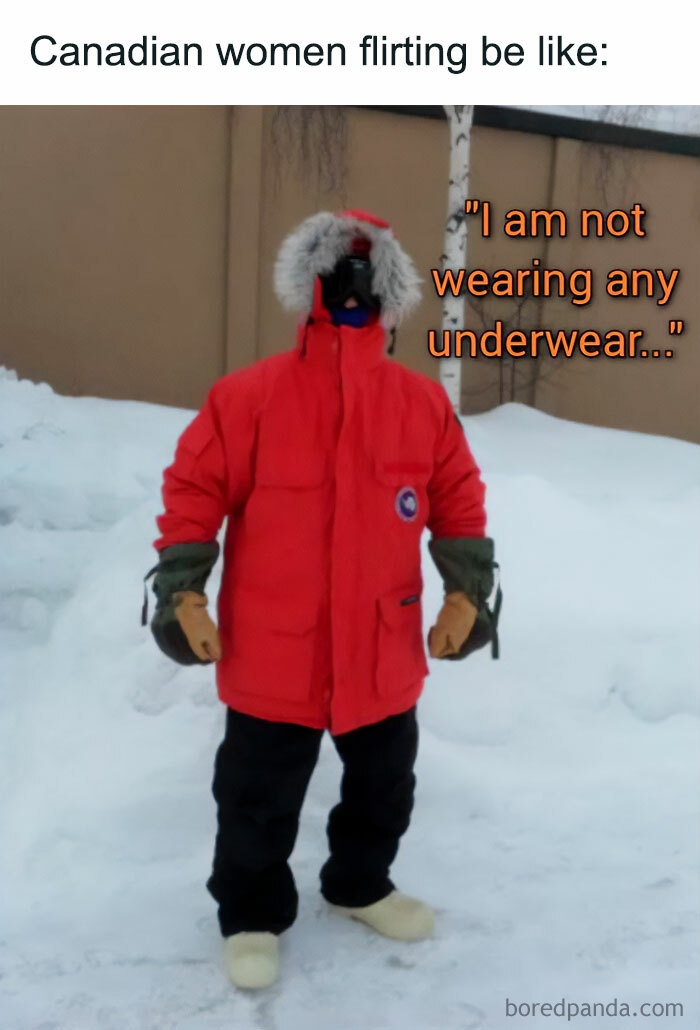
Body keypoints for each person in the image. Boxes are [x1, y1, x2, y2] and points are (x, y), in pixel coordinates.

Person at [145, 209, 500, 990]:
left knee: (385, 786)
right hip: (275, 647)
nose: (352, 298)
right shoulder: (249, 398)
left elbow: (458, 498)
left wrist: (468, 591)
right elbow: (193, 491)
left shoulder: (420, 405)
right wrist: (181, 590)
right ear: (312, 288)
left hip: (381, 646)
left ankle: (359, 885)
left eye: (368, 284)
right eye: (339, 281)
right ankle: (251, 913)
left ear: (390, 300)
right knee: (255, 796)